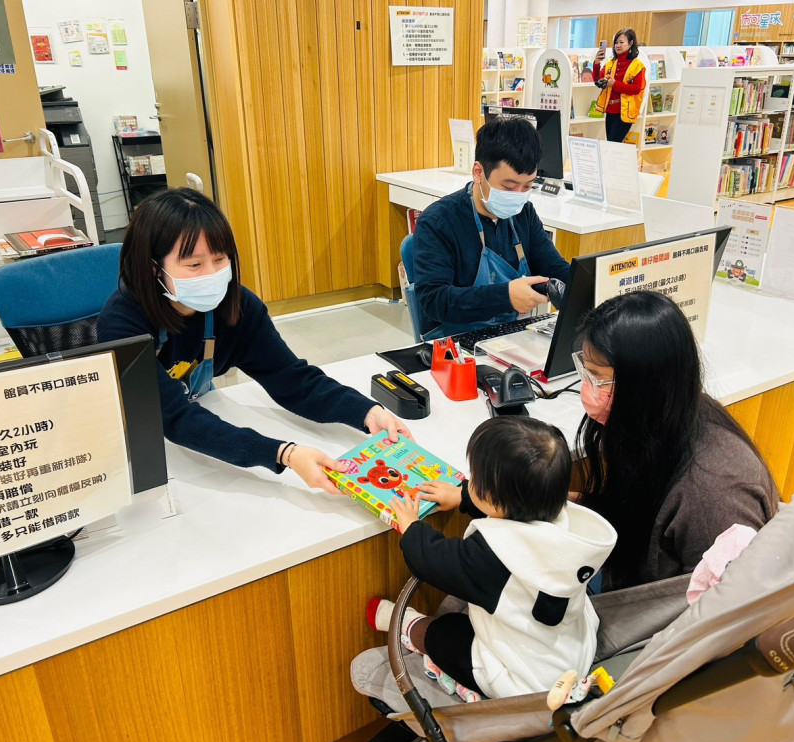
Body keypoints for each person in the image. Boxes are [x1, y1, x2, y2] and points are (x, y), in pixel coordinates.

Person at [97, 188, 409, 494]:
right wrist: (283, 453)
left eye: (220, 259)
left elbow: (291, 378)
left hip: (201, 427)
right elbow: (174, 417)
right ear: (154, 268)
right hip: (140, 443)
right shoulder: (122, 322)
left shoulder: (237, 305)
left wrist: (368, 413)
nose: (213, 273)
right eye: (194, 265)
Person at [365, 417, 617, 699]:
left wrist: (411, 526)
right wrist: (464, 497)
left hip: (525, 681)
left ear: (494, 497)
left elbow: (434, 561)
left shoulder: (492, 558)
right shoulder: (563, 522)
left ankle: (408, 627)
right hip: (572, 652)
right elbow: (513, 511)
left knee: (449, 634)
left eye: (475, 478)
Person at [572, 291, 780, 592]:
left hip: (663, 624)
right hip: (632, 578)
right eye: (586, 372)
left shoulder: (714, 495)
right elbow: (628, 510)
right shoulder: (660, 422)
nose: (589, 389)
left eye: (599, 378)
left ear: (646, 383)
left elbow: (717, 615)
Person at [411, 117, 571, 339]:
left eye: (527, 186)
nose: (518, 196)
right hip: (454, 340)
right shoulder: (439, 221)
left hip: (511, 335)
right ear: (478, 172)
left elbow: (555, 268)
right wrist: (505, 297)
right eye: (508, 186)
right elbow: (434, 300)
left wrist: (588, 288)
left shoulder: (524, 213)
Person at [593, 29, 647, 143]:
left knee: (613, 143)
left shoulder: (637, 66)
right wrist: (597, 64)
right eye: (616, 42)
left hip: (625, 112)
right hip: (610, 110)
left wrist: (615, 84)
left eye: (621, 42)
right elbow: (598, 81)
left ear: (631, 43)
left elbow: (637, 89)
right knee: (611, 143)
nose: (618, 45)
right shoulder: (611, 63)